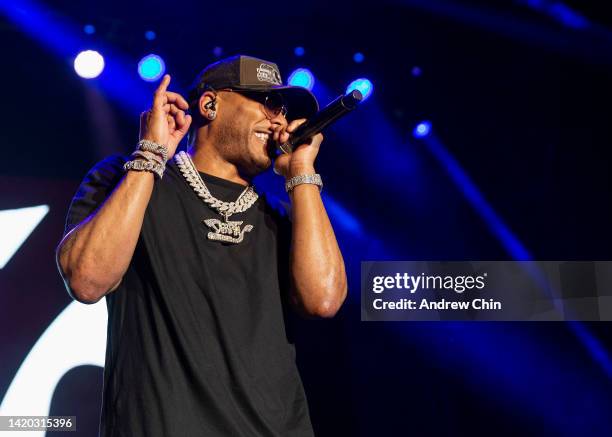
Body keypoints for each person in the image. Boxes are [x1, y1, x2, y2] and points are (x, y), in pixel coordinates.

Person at [55, 55, 347, 436]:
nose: (279, 119)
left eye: (284, 110)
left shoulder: (280, 217)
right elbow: (87, 280)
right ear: (210, 105)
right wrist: (150, 154)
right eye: (268, 103)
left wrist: (303, 172)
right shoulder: (126, 182)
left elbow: (323, 300)